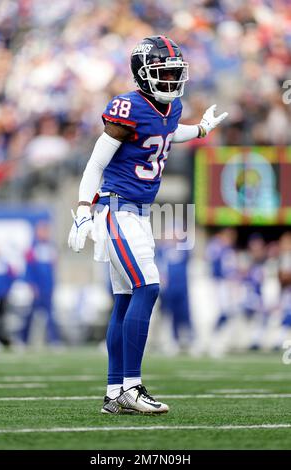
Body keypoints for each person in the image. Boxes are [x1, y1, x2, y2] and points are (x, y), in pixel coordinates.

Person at [68, 36, 228, 414]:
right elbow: (95, 164)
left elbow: (168, 134)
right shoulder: (127, 107)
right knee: (149, 286)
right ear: (143, 74)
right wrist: (81, 211)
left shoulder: (170, 109)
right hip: (117, 209)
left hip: (138, 214)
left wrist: (201, 129)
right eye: (165, 73)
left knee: (125, 301)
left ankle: (113, 393)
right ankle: (131, 386)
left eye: (176, 72)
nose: (172, 79)